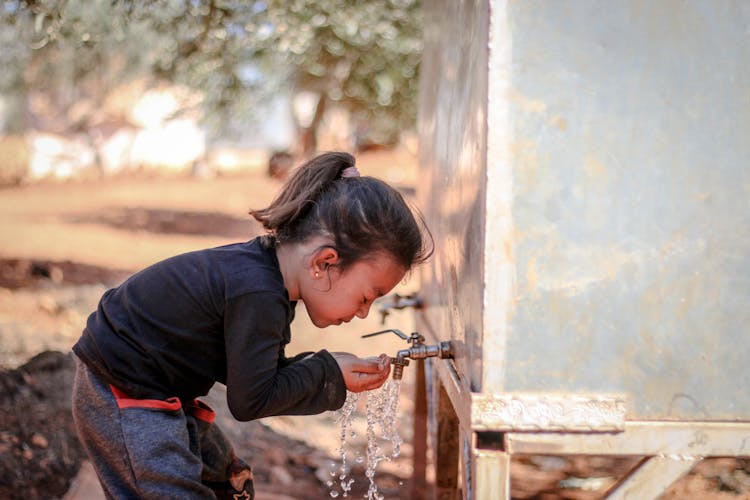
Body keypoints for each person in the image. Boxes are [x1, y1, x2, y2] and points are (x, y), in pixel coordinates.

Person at [71, 151, 433, 499]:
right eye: (367, 296)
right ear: (324, 263)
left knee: (228, 483)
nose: (363, 313)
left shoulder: (268, 279)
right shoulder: (258, 292)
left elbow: (256, 373)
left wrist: (327, 369)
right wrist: (327, 373)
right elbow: (251, 400)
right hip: (123, 390)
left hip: (150, 383)